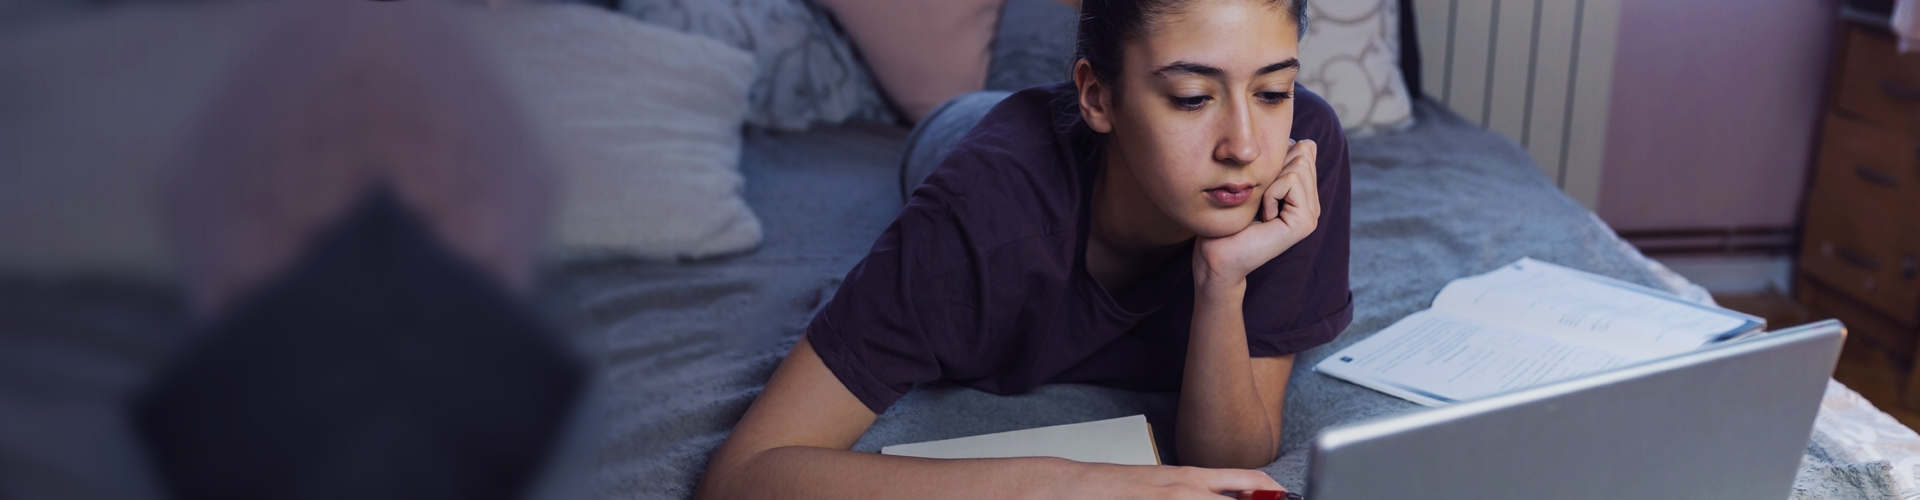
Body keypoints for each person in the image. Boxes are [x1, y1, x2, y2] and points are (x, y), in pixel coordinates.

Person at [697, 0, 1351, 496]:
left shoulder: (1298, 153)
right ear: (1097, 96)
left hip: (1074, 126)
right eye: (1192, 98)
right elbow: (742, 474)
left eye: (1272, 91)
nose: (1244, 146)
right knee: (993, 103)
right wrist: (1068, 483)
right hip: (957, 132)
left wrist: (1221, 281)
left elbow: (1231, 459)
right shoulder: (978, 215)